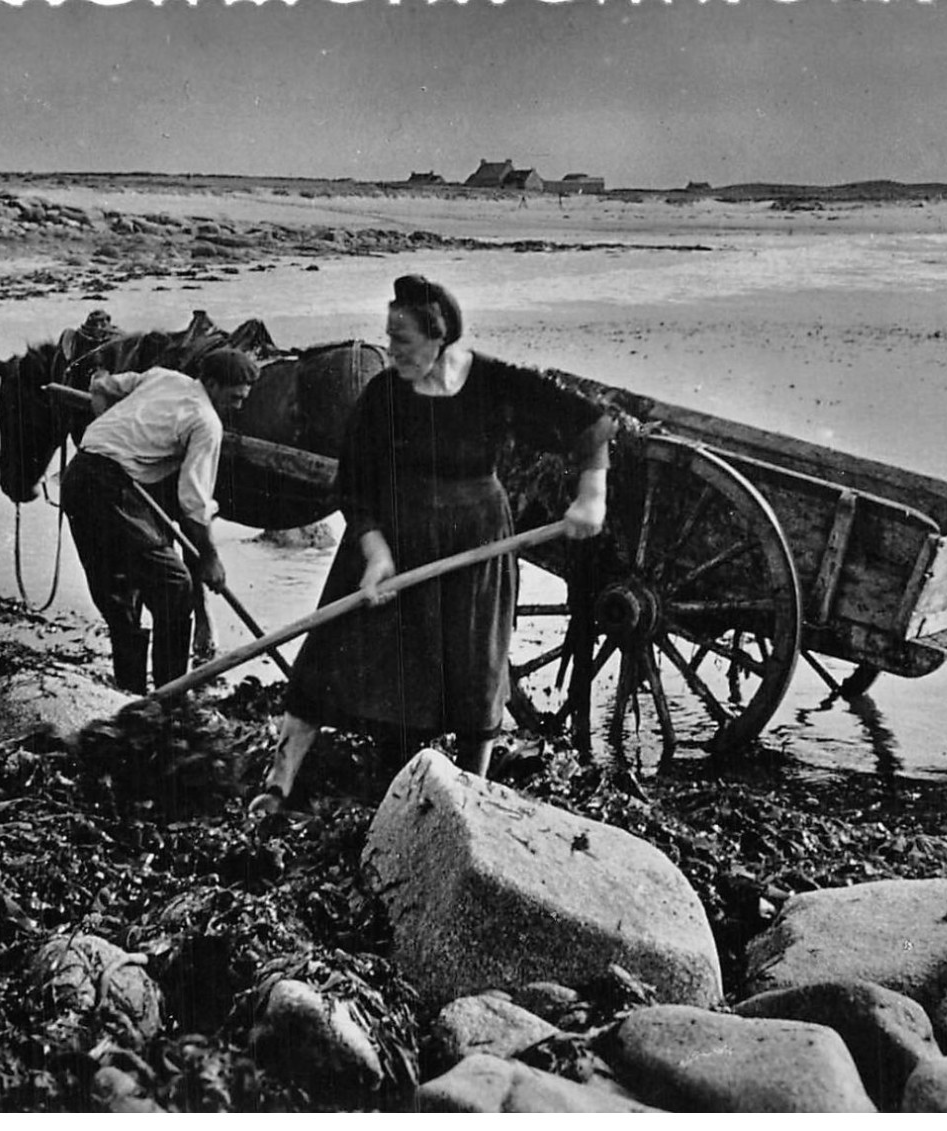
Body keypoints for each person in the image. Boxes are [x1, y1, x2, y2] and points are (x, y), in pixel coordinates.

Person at [248, 275, 615, 815]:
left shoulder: (493, 382)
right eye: (389, 338)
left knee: (474, 668)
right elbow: (353, 483)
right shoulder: (382, 396)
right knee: (329, 656)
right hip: (391, 541)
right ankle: (280, 781)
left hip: (476, 544)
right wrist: (375, 553)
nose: (391, 352)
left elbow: (589, 423)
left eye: (403, 341)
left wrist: (592, 496)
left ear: (439, 337)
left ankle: (469, 800)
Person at [60, 347, 258, 694]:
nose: (238, 407)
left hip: (78, 477)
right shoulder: (206, 422)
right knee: (175, 586)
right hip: (109, 490)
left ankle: (129, 696)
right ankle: (169, 697)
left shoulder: (163, 377)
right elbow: (192, 503)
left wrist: (115, 433)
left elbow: (102, 387)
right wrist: (210, 558)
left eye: (244, 400)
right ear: (210, 384)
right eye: (234, 398)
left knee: (121, 594)